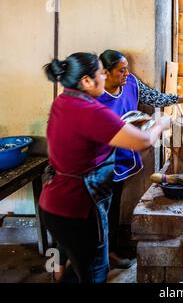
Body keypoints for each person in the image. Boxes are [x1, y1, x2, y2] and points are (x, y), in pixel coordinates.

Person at [39, 52, 171, 283]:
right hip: (80, 209)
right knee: (95, 273)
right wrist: (160, 123)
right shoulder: (91, 111)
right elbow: (142, 141)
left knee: (80, 266)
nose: (104, 76)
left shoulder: (64, 100)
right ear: (87, 81)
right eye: (101, 72)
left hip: (53, 204)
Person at [96, 50, 183, 268]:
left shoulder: (131, 83)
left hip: (122, 156)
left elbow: (155, 98)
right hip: (100, 159)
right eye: (121, 70)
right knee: (98, 212)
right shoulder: (95, 95)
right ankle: (93, 257)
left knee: (113, 206)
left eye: (127, 68)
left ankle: (111, 251)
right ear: (105, 73)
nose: (127, 73)